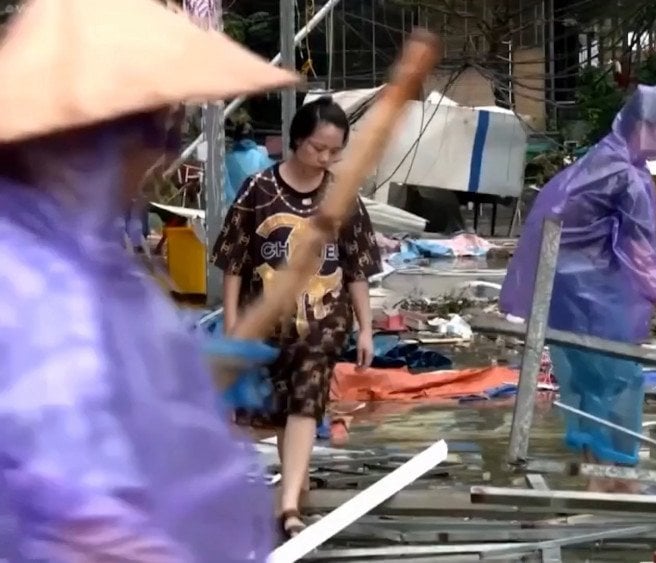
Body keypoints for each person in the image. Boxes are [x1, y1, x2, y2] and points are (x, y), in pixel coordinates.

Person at [0, 0, 298, 560]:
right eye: (160, 132)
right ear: (98, 137)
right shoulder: (32, 280)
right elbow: (76, 507)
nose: (162, 157)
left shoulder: (68, 255)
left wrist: (181, 380)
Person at [499, 85, 656, 493]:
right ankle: (618, 478)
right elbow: (639, 247)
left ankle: (593, 471)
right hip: (592, 290)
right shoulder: (628, 175)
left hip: (560, 285)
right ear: (646, 127)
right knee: (618, 377)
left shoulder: (603, 154)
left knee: (585, 377)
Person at [212, 97, 382, 539]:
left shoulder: (341, 198)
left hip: (325, 318)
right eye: (317, 149)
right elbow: (234, 264)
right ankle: (295, 488)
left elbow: (357, 267)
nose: (325, 159)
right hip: (266, 317)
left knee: (308, 392)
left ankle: (287, 507)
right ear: (294, 141)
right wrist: (233, 328)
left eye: (334, 151)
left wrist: (366, 328)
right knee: (276, 410)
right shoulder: (258, 191)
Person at [225, 120, 275, 204]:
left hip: (234, 209)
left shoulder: (225, 160)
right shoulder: (265, 160)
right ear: (252, 138)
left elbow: (225, 191)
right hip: (259, 208)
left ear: (235, 139)